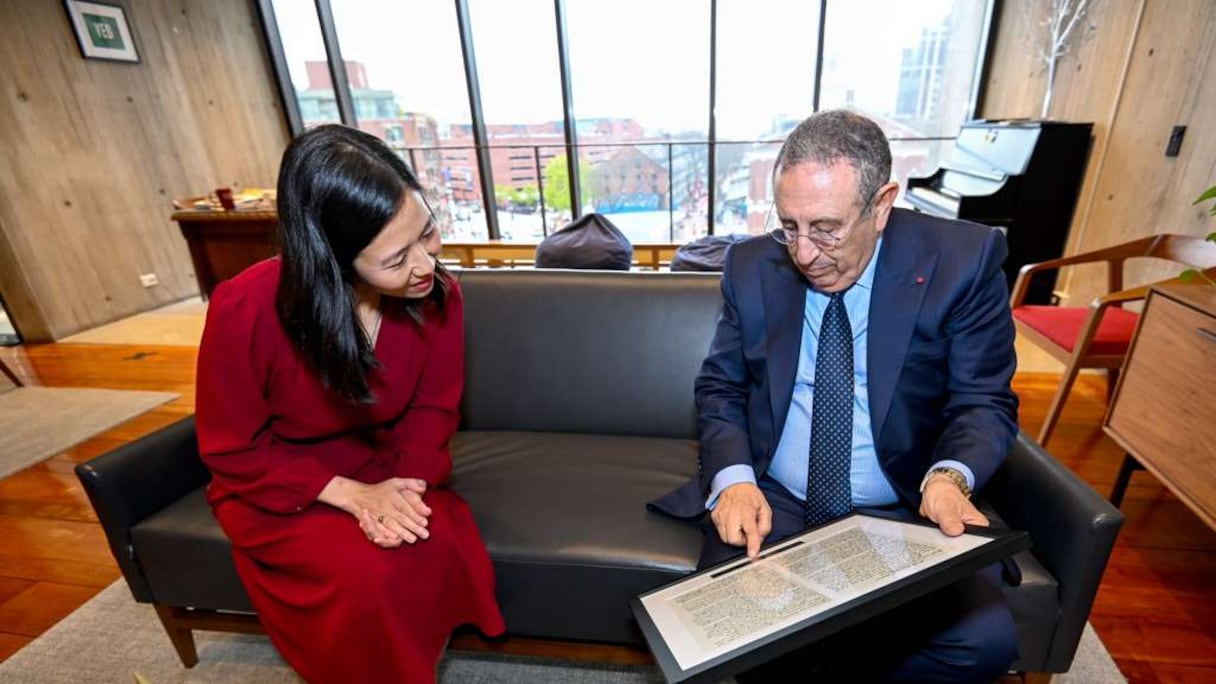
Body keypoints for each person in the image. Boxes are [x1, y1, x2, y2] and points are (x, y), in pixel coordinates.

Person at [651, 110, 1020, 682]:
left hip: (907, 505)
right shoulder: (750, 265)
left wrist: (949, 478)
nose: (803, 253)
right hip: (776, 500)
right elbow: (721, 387)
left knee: (982, 644)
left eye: (826, 228)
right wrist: (736, 481)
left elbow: (982, 400)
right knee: (736, 630)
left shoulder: (962, 262)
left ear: (882, 204)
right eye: (789, 226)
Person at [195, 124, 504, 683]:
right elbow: (233, 447)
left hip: (386, 463)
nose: (425, 266)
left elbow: (433, 410)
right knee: (365, 575)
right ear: (333, 257)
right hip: (284, 481)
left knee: (425, 542)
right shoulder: (245, 308)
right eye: (396, 258)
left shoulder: (438, 296)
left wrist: (403, 490)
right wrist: (350, 496)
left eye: (428, 233)